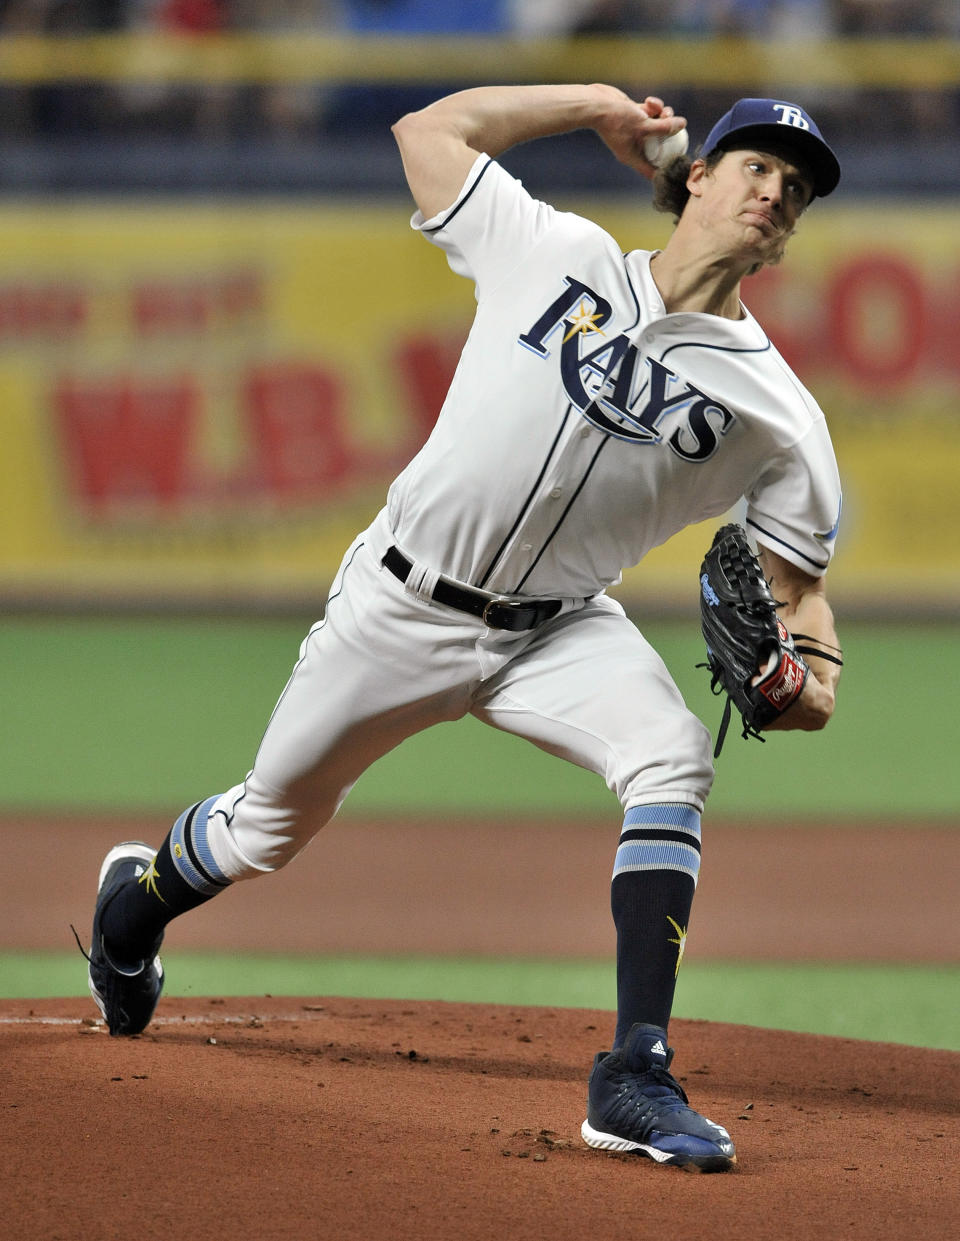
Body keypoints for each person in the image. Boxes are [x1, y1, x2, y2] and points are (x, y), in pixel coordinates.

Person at [82, 87, 843, 1172]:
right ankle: (137, 902)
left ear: (791, 234)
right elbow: (425, 134)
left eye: (797, 188)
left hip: (561, 628)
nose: (774, 192)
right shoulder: (556, 249)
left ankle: (635, 1068)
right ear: (698, 177)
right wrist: (592, 108)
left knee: (672, 754)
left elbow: (802, 594)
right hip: (399, 603)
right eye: (756, 167)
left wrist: (808, 685)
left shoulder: (780, 414)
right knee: (269, 828)